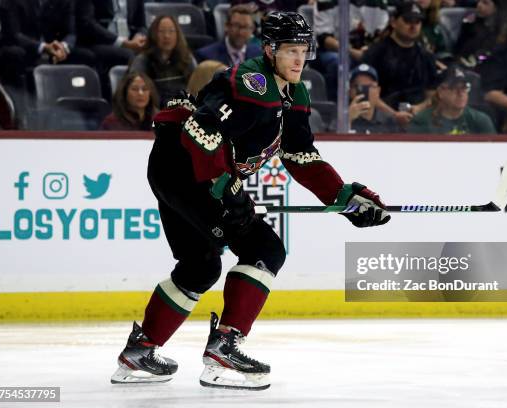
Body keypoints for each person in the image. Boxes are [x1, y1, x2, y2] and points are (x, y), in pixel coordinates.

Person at [109, 11, 390, 390]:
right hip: (186, 170)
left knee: (200, 266)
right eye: (290, 50)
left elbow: (301, 157)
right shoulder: (251, 83)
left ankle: (141, 351)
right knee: (266, 249)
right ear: (270, 50)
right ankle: (224, 348)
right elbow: (200, 131)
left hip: (173, 170)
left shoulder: (294, 94)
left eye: (303, 51)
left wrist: (345, 198)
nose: (298, 59)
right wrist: (225, 186)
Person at [0, 0, 96, 89]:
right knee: (14, 54)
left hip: (53, 49)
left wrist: (63, 47)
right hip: (24, 48)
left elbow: (71, 33)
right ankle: (22, 109)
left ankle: (80, 108)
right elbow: (13, 35)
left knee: (86, 56)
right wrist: (44, 47)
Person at [361, 2, 438, 123]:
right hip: (381, 120)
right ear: (393, 22)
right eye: (408, 20)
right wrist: (394, 115)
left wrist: (419, 108)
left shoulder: (426, 56)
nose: (413, 26)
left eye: (417, 21)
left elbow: (433, 95)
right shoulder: (376, 53)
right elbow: (367, 94)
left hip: (418, 119)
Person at [76, 0, 147, 98]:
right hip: (98, 43)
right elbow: (88, 23)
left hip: (130, 43)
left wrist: (139, 36)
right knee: (127, 55)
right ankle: (127, 103)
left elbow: (141, 25)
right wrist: (122, 43)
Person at [409, 66, 496, 134]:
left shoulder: (480, 120)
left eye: (464, 88)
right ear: (440, 92)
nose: (460, 93)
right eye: (453, 88)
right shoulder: (422, 121)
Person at [130, 15, 196, 105]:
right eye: (161, 31)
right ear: (153, 34)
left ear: (178, 34)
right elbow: (136, 93)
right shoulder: (142, 61)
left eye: (171, 31)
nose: (167, 36)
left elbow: (196, 87)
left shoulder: (186, 58)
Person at [194, 5, 261, 66]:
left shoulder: (259, 55)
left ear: (252, 29)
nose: (241, 32)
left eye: (246, 27)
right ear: (226, 26)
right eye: (236, 26)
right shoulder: (206, 56)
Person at [347, 64, 398, 134]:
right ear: (350, 91)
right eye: (359, 87)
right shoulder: (339, 119)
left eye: (370, 86)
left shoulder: (389, 122)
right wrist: (347, 120)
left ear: (378, 91)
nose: (365, 91)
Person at [454, 0, 502, 68]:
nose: (479, 5)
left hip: (483, 65)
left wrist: (478, 59)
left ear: (495, 8)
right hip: (461, 63)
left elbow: (489, 54)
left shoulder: (498, 29)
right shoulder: (470, 20)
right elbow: (459, 47)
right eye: (479, 1)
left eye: (485, 3)